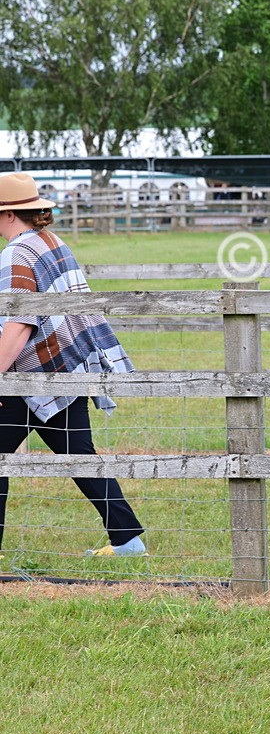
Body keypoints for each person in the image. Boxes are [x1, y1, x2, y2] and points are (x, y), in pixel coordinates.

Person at [0, 172, 145, 556]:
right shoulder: (51, 241)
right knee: (80, 454)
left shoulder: (16, 252)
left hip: (29, 374)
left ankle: (128, 541)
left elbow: (19, 323)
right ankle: (128, 541)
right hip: (67, 366)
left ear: (9, 214)